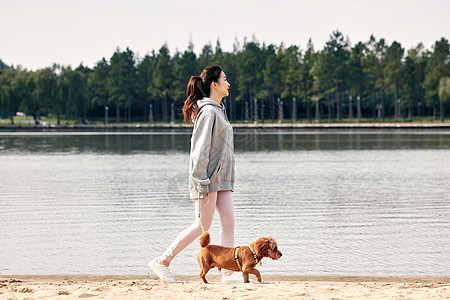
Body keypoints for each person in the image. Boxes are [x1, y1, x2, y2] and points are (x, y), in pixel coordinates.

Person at [148, 65, 240, 283]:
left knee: (229, 224)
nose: (229, 83)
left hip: (222, 180)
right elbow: (199, 150)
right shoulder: (208, 112)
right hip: (207, 180)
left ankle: (228, 273)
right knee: (201, 226)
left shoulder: (218, 109)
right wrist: (201, 181)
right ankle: (162, 261)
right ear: (214, 85)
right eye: (225, 79)